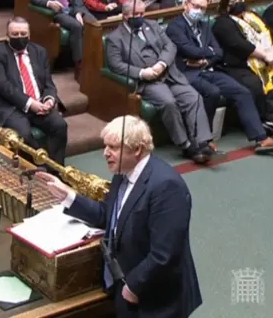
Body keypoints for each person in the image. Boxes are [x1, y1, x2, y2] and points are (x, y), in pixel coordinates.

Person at [36, 115, 202, 318]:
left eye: (113, 148)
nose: (105, 153)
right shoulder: (123, 174)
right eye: (105, 146)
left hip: (154, 299)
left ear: (137, 149)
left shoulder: (166, 187)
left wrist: (133, 286)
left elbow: (165, 254)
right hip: (123, 282)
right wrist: (69, 196)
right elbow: (110, 216)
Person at [167, 0, 273, 153]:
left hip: (209, 68)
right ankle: (203, 140)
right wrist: (206, 53)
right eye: (195, 6)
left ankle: (261, 138)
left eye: (203, 8)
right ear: (186, 5)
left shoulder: (204, 25)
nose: (199, 10)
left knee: (242, 92)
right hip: (187, 73)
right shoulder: (175, 26)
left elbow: (218, 52)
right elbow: (187, 49)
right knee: (212, 92)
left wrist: (204, 58)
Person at [105, 0, 222, 164]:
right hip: (149, 82)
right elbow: (116, 65)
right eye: (135, 14)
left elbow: (170, 46)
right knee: (169, 102)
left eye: (141, 13)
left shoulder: (152, 26)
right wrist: (142, 73)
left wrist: (162, 63)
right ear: (124, 16)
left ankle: (202, 142)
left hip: (169, 74)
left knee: (193, 97)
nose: (139, 17)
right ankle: (186, 145)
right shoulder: (115, 38)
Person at [0, 17, 67, 165]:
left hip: (40, 104)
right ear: (7, 36)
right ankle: (40, 166)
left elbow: (48, 82)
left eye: (23, 34)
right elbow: (2, 86)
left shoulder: (39, 52)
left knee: (60, 125)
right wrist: (30, 103)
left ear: (29, 35)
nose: (19, 37)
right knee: (23, 134)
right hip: (12, 107)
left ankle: (57, 170)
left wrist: (49, 99)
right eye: (15, 34)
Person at [213, 0, 273, 137]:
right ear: (226, 3)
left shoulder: (253, 16)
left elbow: (271, 33)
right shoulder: (222, 22)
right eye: (233, 1)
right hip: (239, 65)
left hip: (265, 59)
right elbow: (239, 45)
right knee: (255, 84)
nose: (238, 3)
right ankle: (262, 122)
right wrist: (265, 56)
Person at [26, 0, 95, 70]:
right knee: (76, 26)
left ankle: (94, 59)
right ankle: (79, 63)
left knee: (93, 23)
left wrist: (78, 11)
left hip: (72, 7)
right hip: (56, 11)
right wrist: (48, 3)